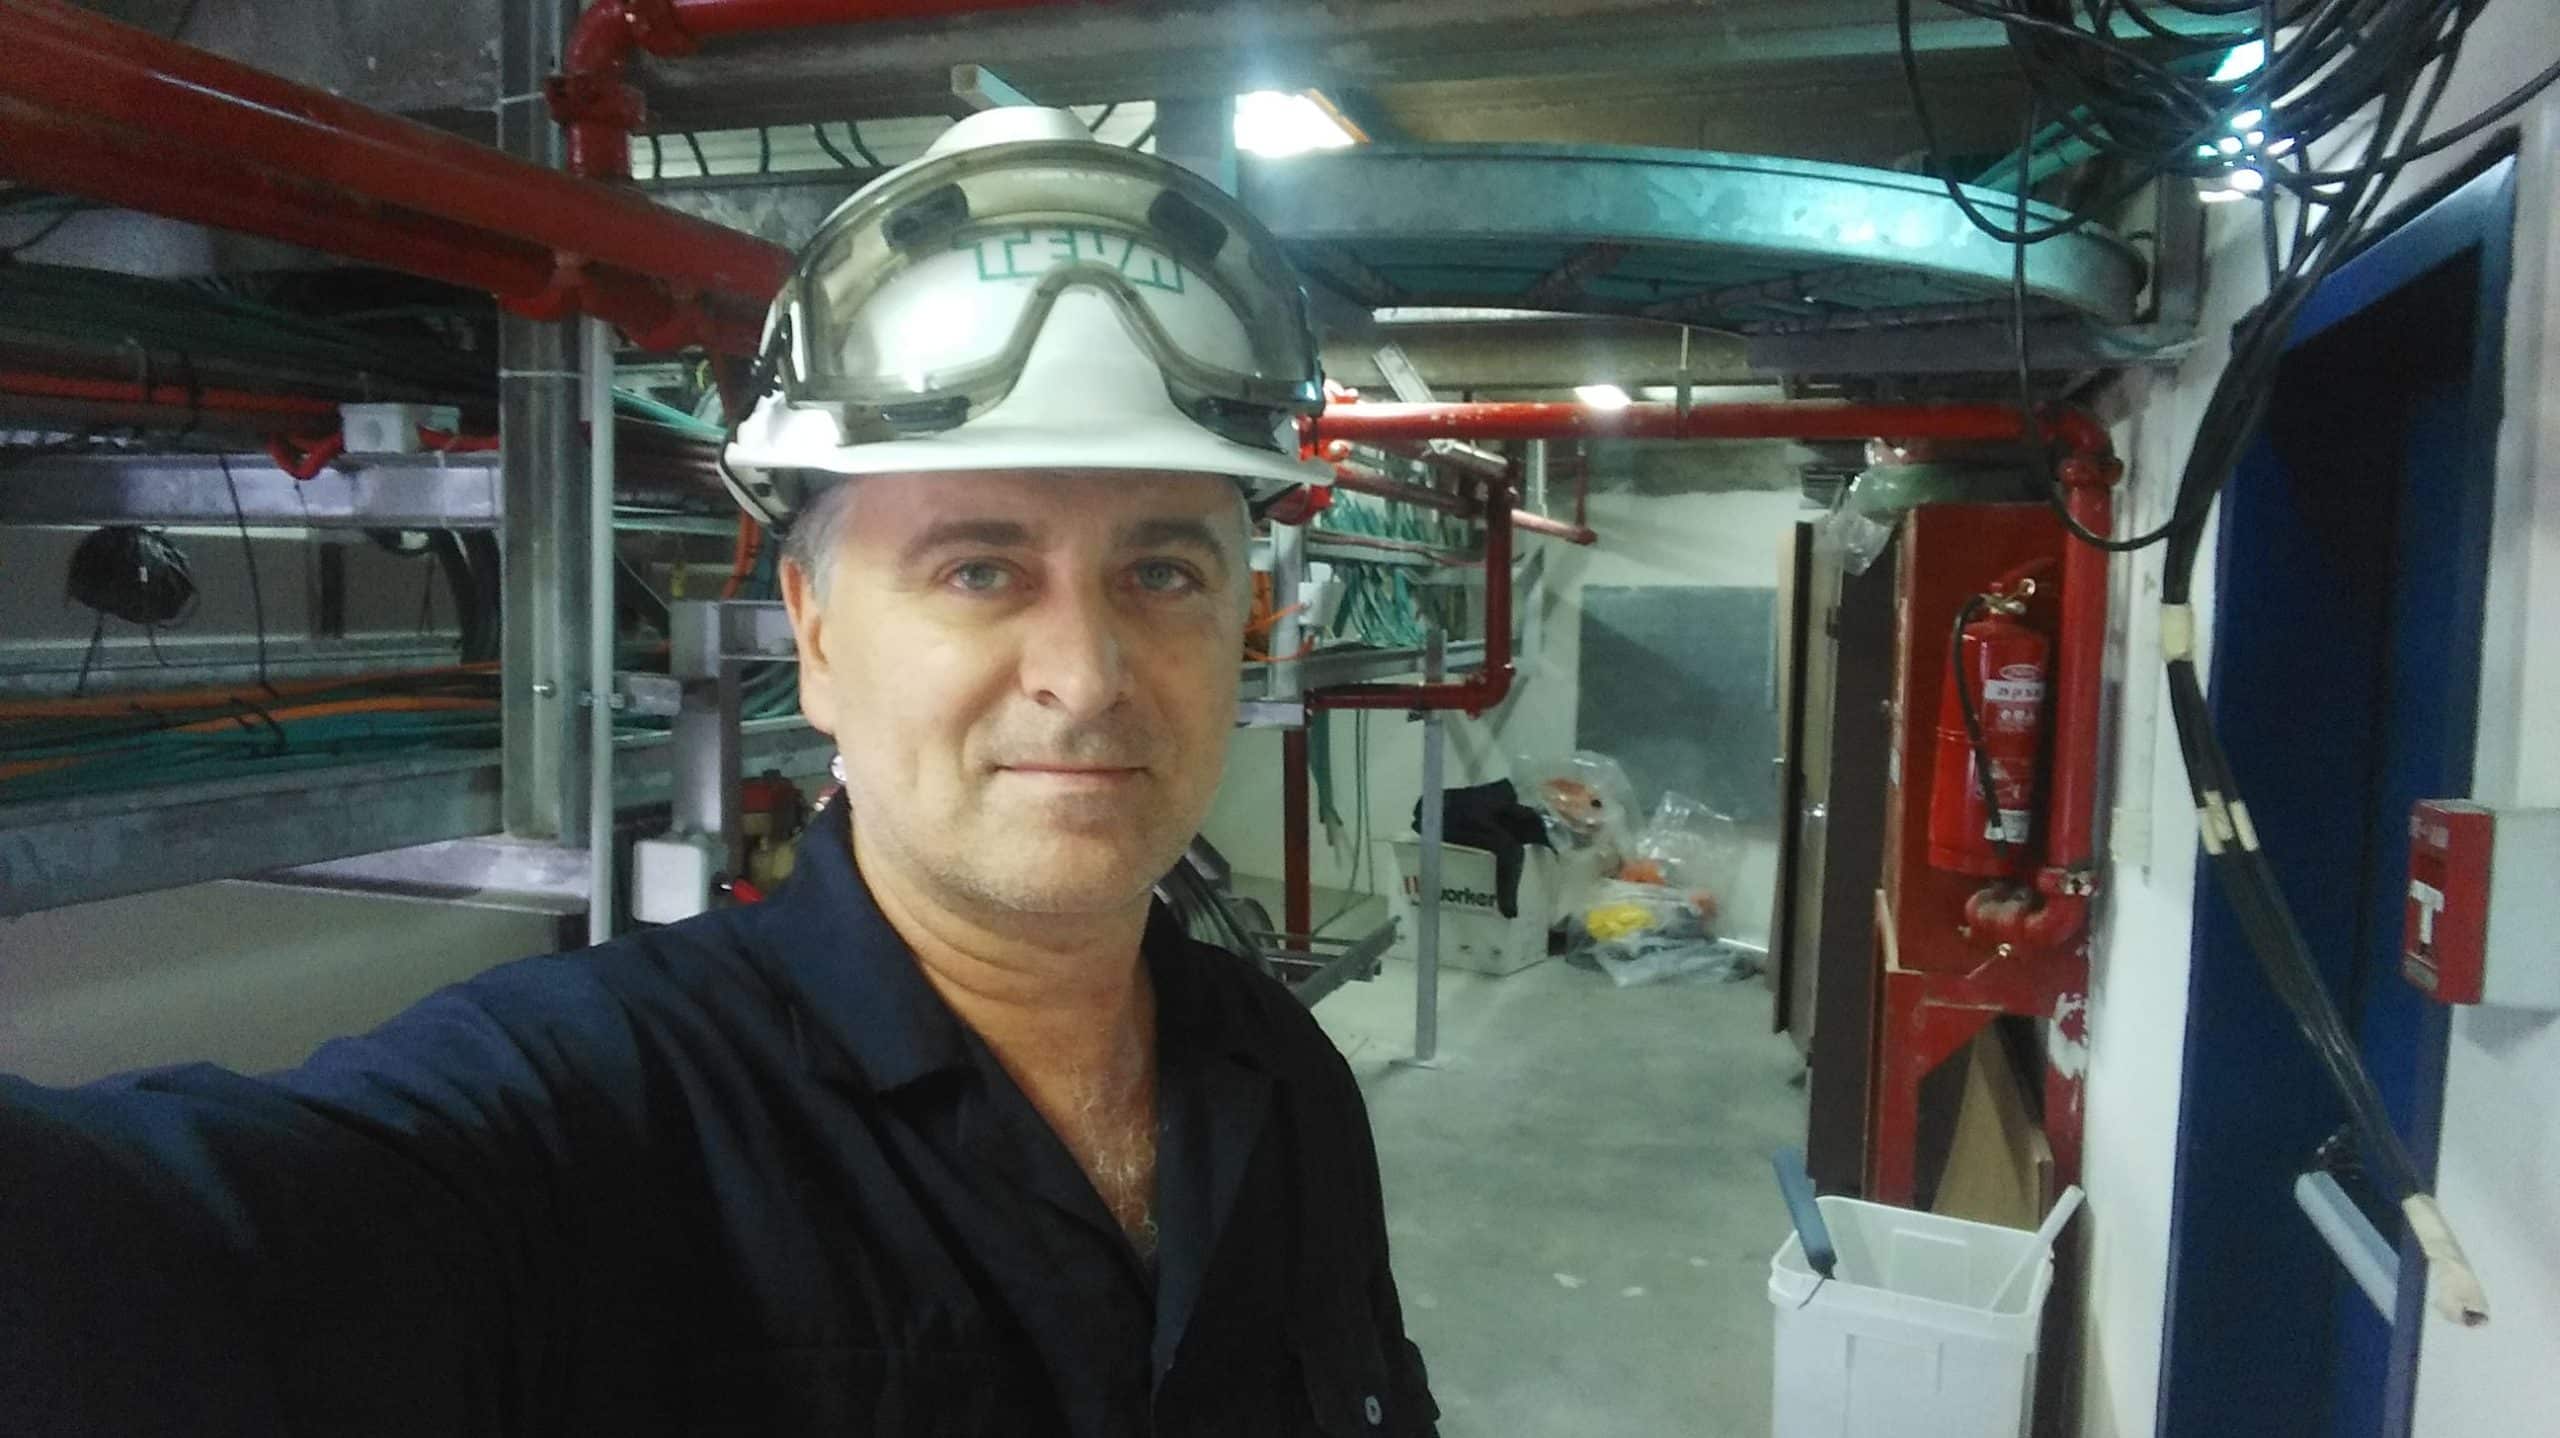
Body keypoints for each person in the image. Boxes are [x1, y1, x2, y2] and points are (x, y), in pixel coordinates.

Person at [1, 107, 1437, 1437]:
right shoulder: (593, 1118)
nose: (1088, 670)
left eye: (1163, 571)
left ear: (1244, 620)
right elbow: (160, 1262)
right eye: (980, 568)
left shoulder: (1282, 1077)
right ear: (815, 636)